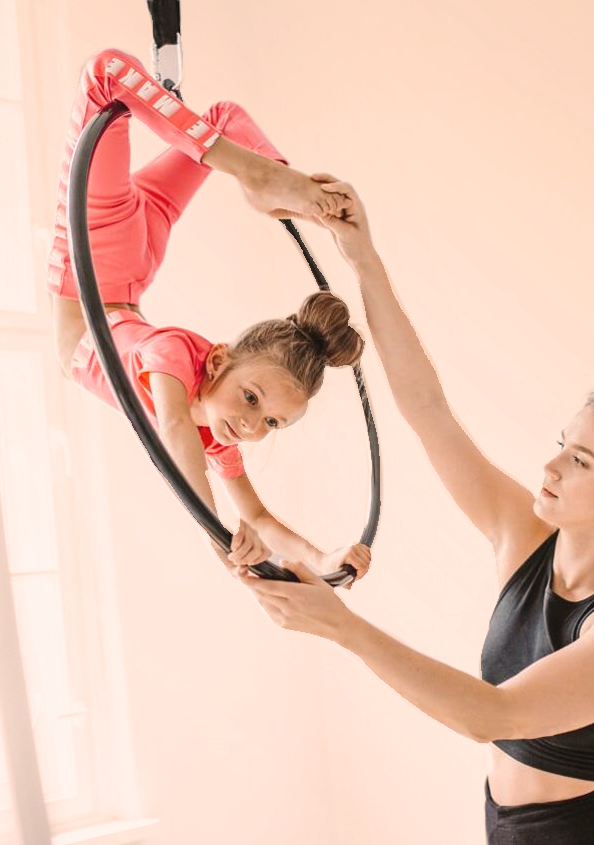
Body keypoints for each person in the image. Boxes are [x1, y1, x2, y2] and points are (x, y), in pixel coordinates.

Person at [237, 181, 594, 845]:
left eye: (581, 458)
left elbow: (492, 717)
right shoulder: (523, 535)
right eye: (562, 442)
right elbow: (426, 408)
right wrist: (363, 259)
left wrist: (342, 626)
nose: (551, 465)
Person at [48, 49, 370, 581]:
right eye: (251, 398)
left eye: (270, 422)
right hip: (98, 259)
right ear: (218, 360)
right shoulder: (173, 355)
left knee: (220, 121)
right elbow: (172, 425)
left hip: (132, 266)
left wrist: (322, 559)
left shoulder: (218, 435)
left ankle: (266, 178)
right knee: (106, 78)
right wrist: (214, 531)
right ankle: (265, 178)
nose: (250, 424)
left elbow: (260, 518)